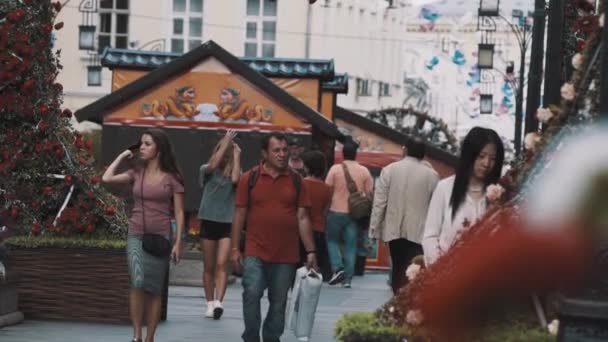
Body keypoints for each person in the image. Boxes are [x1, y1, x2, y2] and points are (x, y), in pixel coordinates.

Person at [230, 132, 318, 342]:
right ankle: (251, 337)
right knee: (251, 293)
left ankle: (271, 338)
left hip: (286, 254)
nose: (281, 155)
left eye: (284, 150)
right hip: (255, 249)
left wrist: (311, 251)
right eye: (276, 150)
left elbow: (303, 217)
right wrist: (234, 248)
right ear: (264, 153)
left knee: (278, 302)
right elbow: (239, 214)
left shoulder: (297, 181)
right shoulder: (249, 178)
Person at [102, 128, 185, 342]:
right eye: (141, 143)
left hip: (161, 237)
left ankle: (150, 338)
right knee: (137, 281)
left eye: (147, 144)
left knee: (154, 289)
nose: (142, 147)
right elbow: (106, 178)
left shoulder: (172, 177)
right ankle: (137, 335)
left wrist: (177, 243)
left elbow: (179, 212)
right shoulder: (135, 173)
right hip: (136, 234)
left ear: (159, 149)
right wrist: (122, 156)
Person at [422, 127, 505, 265]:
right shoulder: (445, 188)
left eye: (493, 158)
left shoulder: (500, 194)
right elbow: (430, 236)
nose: (486, 163)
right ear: (469, 155)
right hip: (448, 277)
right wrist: (439, 267)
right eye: (481, 156)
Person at [369, 138, 439, 294]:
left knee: (398, 266)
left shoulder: (389, 170)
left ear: (405, 150)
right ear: (423, 154)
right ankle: (409, 301)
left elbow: (380, 202)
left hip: (394, 229)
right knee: (414, 268)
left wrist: (374, 229)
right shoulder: (432, 175)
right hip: (420, 231)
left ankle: (396, 297)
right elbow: (436, 207)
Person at [197, 129, 241, 320]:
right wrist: (227, 140)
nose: (222, 156)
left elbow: (236, 180)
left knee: (222, 264)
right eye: (220, 151)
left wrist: (237, 155)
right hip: (208, 221)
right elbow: (214, 164)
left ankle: (219, 303)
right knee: (208, 266)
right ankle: (208, 303)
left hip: (226, 223)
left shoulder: (235, 171)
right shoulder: (206, 170)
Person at [324, 139, 373, 288]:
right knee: (351, 246)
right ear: (355, 154)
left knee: (331, 241)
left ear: (342, 154)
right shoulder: (364, 171)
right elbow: (370, 193)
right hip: (354, 215)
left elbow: (327, 189)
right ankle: (348, 280)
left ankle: (338, 268)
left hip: (335, 211)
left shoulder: (335, 169)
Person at [301, 150, 333, 281]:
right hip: (319, 229)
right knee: (314, 268)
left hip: (301, 231)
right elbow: (325, 212)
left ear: (307, 167)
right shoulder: (328, 189)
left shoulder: (301, 184)